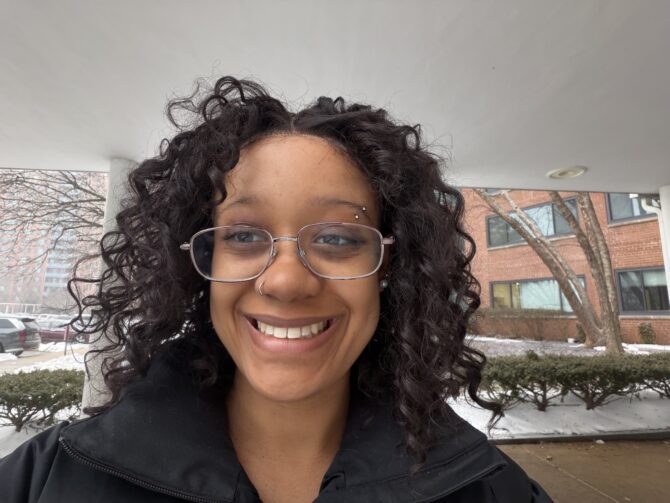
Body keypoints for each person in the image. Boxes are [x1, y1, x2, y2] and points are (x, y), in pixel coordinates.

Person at [0, 76, 552, 502]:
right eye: (243, 235)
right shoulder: (43, 481)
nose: (286, 281)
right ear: (197, 263)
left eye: (337, 237)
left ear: (390, 265)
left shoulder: (492, 492)